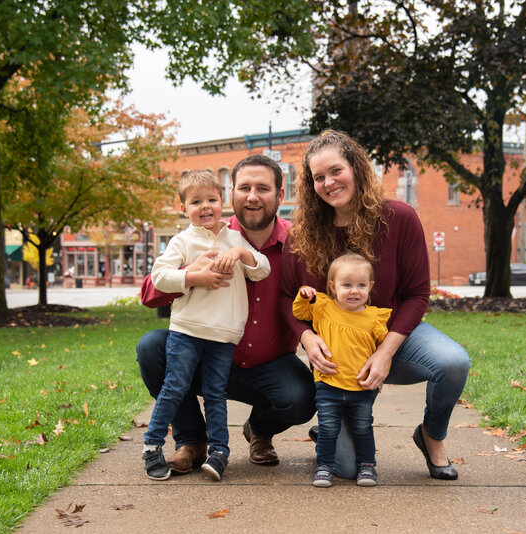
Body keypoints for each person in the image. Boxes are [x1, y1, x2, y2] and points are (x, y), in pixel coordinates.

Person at [280, 129, 471, 480]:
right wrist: (307, 340)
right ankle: (330, 426)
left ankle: (431, 436)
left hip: (391, 336)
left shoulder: (398, 217)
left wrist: (385, 353)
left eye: (336, 170)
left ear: (356, 166)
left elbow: (417, 294)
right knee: (349, 469)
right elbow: (285, 294)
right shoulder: (302, 232)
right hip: (339, 358)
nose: (329, 182)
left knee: (453, 363)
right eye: (318, 177)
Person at [137, 154, 316, 476]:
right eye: (244, 187)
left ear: (280, 194)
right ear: (231, 193)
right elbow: (149, 294)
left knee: (301, 397)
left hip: (267, 364)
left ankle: (259, 430)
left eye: (262, 188)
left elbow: (319, 301)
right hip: (201, 350)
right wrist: (191, 274)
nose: (252, 196)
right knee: (152, 348)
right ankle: (192, 441)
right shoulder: (198, 236)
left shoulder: (298, 243)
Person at [142, 170, 271, 482]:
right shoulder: (182, 241)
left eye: (211, 199)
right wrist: (192, 276)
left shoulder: (234, 239)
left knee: (216, 392)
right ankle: (151, 446)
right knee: (174, 386)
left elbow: (262, 270)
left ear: (222, 202)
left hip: (223, 334)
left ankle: (219, 451)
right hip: (187, 330)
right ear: (183, 209)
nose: (205, 206)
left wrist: (241, 253)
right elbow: (159, 277)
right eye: (196, 201)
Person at [293, 252, 391, 488]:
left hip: (361, 386)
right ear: (332, 287)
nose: (354, 291)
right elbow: (299, 313)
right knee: (328, 427)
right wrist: (304, 295)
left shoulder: (374, 317)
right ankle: (324, 466)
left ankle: (367, 465)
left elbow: (383, 349)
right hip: (328, 384)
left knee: (363, 426)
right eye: (346, 285)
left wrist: (381, 375)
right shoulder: (324, 307)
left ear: (370, 287)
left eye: (361, 285)